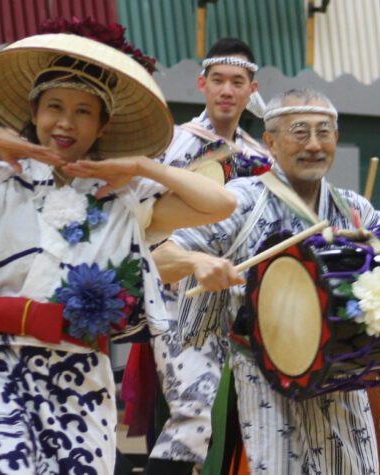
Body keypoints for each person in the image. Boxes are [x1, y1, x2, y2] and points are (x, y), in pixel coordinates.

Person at [0, 27, 237, 474]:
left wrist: (144, 165)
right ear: (34, 112)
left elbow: (221, 204)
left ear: (102, 125)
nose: (66, 123)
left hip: (83, 375)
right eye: (54, 107)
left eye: (82, 112)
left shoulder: (126, 195)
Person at [151, 88, 380, 474]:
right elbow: (160, 256)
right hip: (266, 376)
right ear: (270, 142)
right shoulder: (241, 199)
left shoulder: (353, 209)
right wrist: (197, 261)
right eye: (300, 132)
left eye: (324, 132)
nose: (314, 145)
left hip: (343, 376)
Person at [140, 37, 270, 475]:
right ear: (202, 84)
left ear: (252, 90)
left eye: (238, 81)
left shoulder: (260, 156)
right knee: (190, 412)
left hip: (236, 300)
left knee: (228, 416)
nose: (227, 90)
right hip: (179, 288)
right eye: (218, 80)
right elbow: (142, 216)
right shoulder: (173, 144)